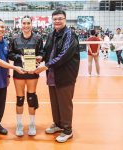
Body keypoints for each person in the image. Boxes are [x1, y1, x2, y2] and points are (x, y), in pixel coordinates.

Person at [34, 10, 80, 143]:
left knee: (65, 103)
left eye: (60, 18)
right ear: (52, 20)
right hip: (52, 74)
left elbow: (64, 55)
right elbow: (46, 50)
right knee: (55, 101)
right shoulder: (51, 34)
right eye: (55, 19)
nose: (57, 21)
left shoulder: (70, 34)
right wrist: (41, 57)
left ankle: (67, 130)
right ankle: (58, 124)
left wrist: (46, 65)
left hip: (65, 74)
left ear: (65, 19)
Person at [8, 15, 43, 136]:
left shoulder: (38, 38)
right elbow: (10, 54)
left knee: (31, 97)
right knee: (20, 98)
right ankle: (19, 124)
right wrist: (20, 57)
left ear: (31, 24)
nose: (26, 25)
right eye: (24, 23)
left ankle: (32, 124)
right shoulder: (14, 38)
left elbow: (42, 52)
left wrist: (40, 57)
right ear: (21, 24)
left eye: (28, 23)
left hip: (32, 71)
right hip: (19, 71)